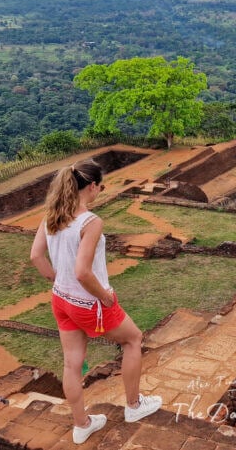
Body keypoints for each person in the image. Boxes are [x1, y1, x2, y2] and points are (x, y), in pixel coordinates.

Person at [29, 159, 161, 443]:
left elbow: (36, 257)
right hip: (88, 303)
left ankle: (82, 424)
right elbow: (82, 272)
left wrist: (57, 280)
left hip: (61, 300)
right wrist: (106, 296)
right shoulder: (90, 221)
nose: (100, 191)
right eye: (100, 186)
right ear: (91, 186)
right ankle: (134, 406)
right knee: (133, 340)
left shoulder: (51, 216)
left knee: (71, 364)